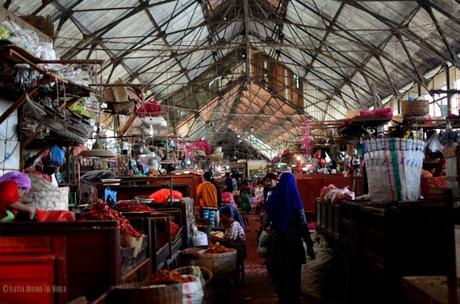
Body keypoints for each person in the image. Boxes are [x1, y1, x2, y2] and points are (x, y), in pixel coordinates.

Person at [263, 172, 315, 304]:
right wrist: (309, 245)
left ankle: (282, 297)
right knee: (293, 272)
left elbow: (265, 221)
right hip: (292, 241)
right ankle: (293, 298)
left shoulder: (272, 198)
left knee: (279, 273)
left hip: (275, 241)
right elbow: (303, 225)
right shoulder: (295, 199)